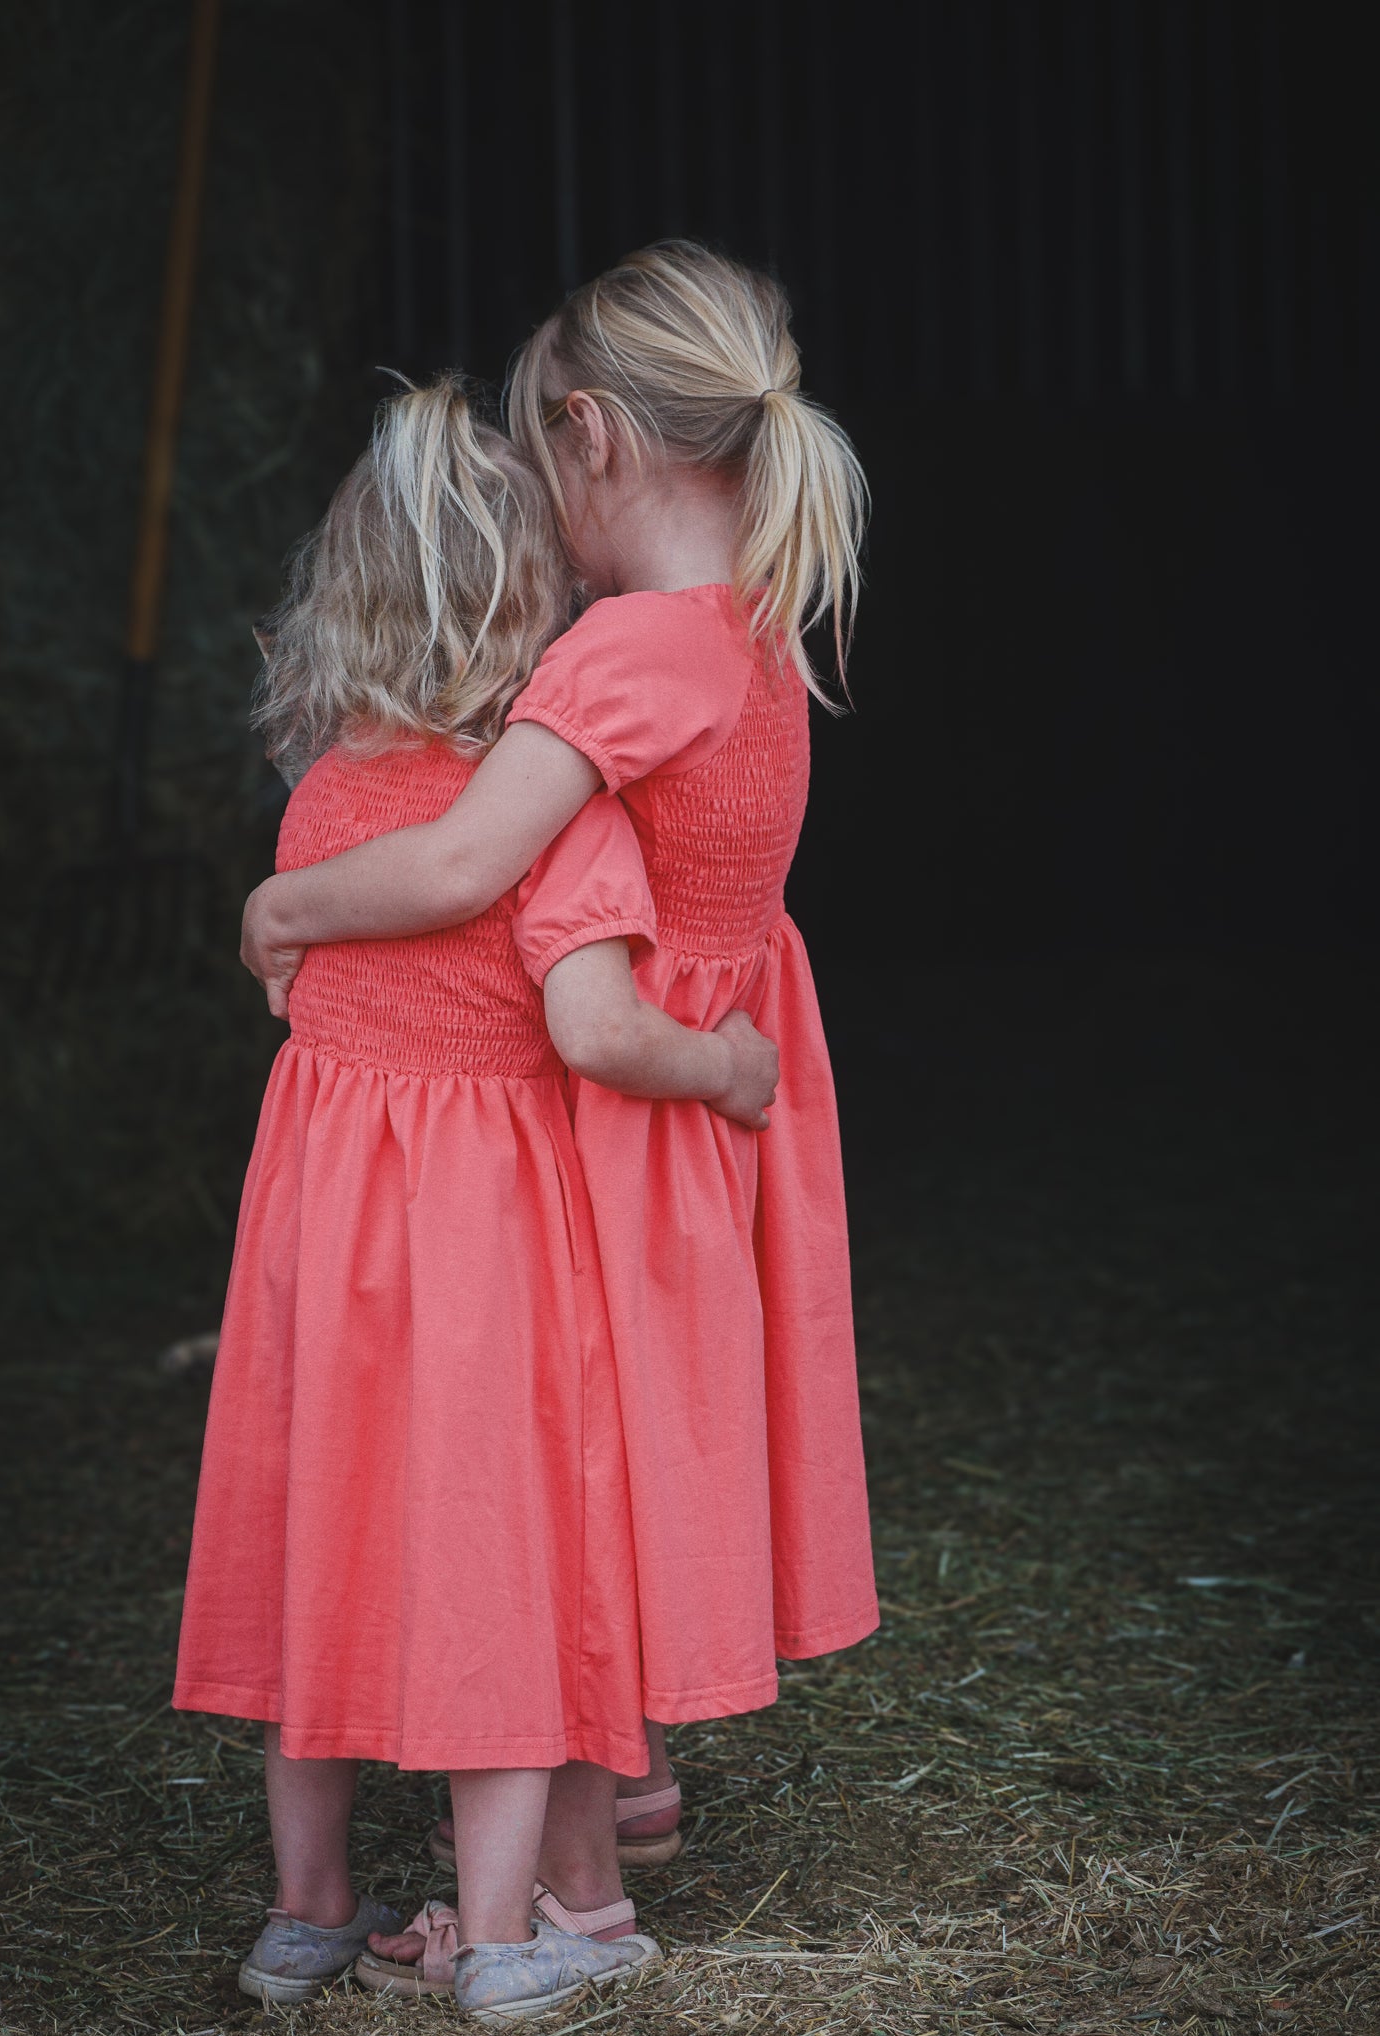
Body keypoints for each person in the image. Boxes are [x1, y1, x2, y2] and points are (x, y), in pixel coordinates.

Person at [239, 240, 880, 1882]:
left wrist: (282, 904)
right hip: (712, 1074)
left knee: (572, 1461)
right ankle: (630, 1778)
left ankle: (575, 1878)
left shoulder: (616, 655)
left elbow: (464, 863)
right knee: (646, 1437)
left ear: (590, 435)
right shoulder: (759, 622)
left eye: (540, 455)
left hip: (615, 1090)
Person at [174, 376, 779, 2022]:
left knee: (315, 1552)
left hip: (324, 1252)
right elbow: (594, 1029)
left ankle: (303, 1918)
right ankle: (507, 1938)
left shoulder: (320, 807)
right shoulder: (558, 831)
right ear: (545, 615)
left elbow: (302, 1008)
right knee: (501, 1566)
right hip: (491, 1256)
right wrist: (726, 1070)